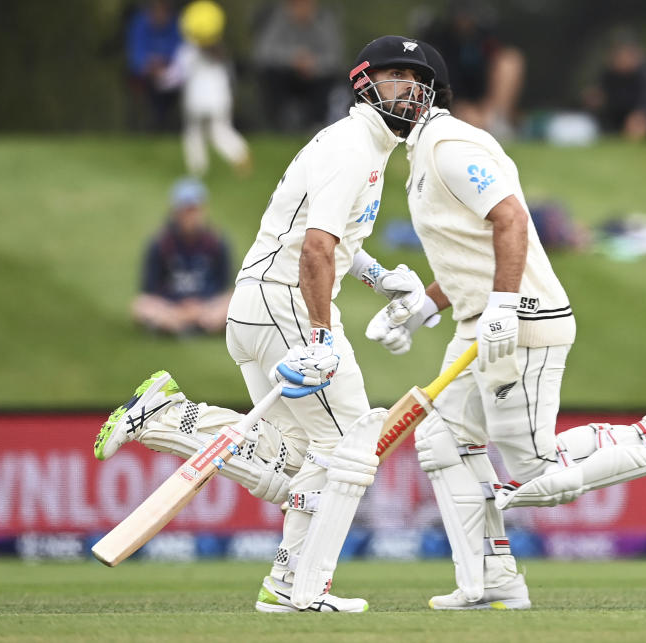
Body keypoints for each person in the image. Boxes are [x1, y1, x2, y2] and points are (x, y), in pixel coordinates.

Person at [364, 43, 646, 610]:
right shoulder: (421, 154)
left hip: (521, 323)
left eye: (406, 76)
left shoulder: (450, 145)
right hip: (479, 323)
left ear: (430, 87)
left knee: (538, 472)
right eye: (388, 76)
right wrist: (424, 307)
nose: (396, 87)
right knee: (441, 441)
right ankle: (491, 583)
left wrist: (505, 305)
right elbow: (470, 253)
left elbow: (510, 218)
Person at [97, 35, 436, 613]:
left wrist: (379, 277)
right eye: (395, 76)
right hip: (285, 303)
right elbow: (315, 248)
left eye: (416, 79)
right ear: (364, 82)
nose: (409, 89)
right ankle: (307, 587)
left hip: (255, 305)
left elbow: (334, 239)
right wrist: (324, 338)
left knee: (299, 460)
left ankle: (173, 424)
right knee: (353, 443)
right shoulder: (354, 146)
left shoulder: (362, 148)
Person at [132, 177, 233, 336]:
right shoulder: (161, 243)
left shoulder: (216, 242)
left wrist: (200, 307)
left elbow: (225, 287)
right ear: (175, 212)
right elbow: (149, 291)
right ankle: (187, 325)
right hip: (172, 307)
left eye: (194, 210)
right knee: (141, 306)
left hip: (207, 306)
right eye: (186, 210)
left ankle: (182, 326)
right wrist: (179, 309)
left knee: (234, 302)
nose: (191, 216)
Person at [159, 0, 251, 175]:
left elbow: (175, 76)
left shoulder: (187, 52)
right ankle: (239, 153)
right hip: (220, 101)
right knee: (220, 131)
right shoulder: (221, 54)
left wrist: (160, 79)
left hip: (196, 103)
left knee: (193, 135)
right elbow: (230, 78)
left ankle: (197, 169)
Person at [419, 1, 525, 139]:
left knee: (510, 60)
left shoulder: (486, 36)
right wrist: (456, 106)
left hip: (485, 103)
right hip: (452, 103)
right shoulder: (440, 39)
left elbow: (496, 69)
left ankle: (498, 122)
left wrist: (486, 107)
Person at [252, 0, 343, 132]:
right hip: (286, 74)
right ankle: (278, 125)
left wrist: (313, 63)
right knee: (269, 75)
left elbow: (335, 57)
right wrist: (293, 59)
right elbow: (263, 53)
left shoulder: (325, 21)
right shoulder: (278, 19)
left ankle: (317, 124)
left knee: (330, 80)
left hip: (317, 76)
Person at [582, 29, 646, 141]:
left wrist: (639, 117)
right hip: (617, 117)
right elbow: (601, 96)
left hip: (644, 116)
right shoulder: (608, 74)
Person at [125, 0, 182, 131]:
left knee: (171, 86)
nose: (160, 15)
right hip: (146, 75)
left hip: (170, 74)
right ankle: (156, 124)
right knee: (152, 89)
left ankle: (164, 123)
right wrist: (150, 66)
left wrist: (165, 64)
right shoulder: (139, 24)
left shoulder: (176, 25)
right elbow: (136, 55)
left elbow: (180, 53)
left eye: (164, 11)